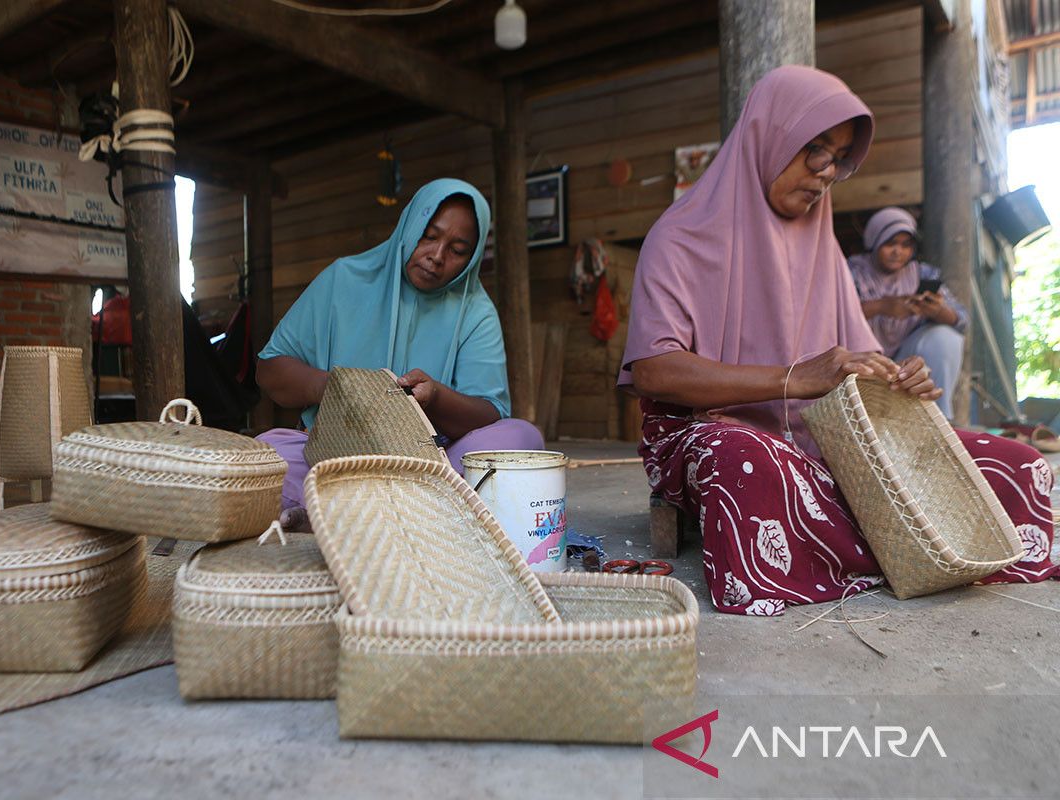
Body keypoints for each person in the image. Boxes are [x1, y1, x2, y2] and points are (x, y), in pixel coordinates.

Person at [619, 65, 1058, 616]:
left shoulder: (822, 247)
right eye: (816, 150)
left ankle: (870, 548)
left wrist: (900, 378)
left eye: (841, 160)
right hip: (713, 433)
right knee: (747, 464)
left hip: (823, 443)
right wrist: (792, 378)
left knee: (1017, 465)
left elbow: (860, 360)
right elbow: (656, 372)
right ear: (769, 135)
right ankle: (897, 551)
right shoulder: (679, 237)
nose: (827, 172)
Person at [255, 178, 543, 528]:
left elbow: (491, 412)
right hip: (331, 458)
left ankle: (338, 514)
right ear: (410, 225)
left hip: (431, 463)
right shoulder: (344, 279)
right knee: (263, 459)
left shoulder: (475, 311)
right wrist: (336, 388)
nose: (436, 257)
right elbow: (270, 369)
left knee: (521, 438)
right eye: (429, 235)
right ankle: (411, 518)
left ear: (473, 256)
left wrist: (435, 398)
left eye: (457, 249)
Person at [847, 207, 968, 419]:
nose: (898, 252)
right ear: (874, 241)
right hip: (860, 361)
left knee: (946, 338)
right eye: (890, 243)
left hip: (905, 365)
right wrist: (882, 307)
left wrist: (938, 311)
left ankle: (937, 419)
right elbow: (831, 316)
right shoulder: (851, 271)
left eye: (905, 245)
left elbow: (962, 321)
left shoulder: (922, 274)